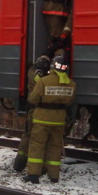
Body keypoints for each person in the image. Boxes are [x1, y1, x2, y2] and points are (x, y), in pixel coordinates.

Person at [24, 55, 77, 184]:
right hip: (59, 120)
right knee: (55, 147)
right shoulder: (72, 84)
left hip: (42, 118)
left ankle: (33, 175)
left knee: (37, 146)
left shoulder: (44, 81)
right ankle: (54, 176)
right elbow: (70, 102)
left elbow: (33, 99)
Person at [12, 54, 50, 172]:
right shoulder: (40, 76)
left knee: (27, 135)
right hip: (39, 109)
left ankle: (19, 163)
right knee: (39, 139)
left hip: (32, 109)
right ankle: (40, 167)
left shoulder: (31, 72)